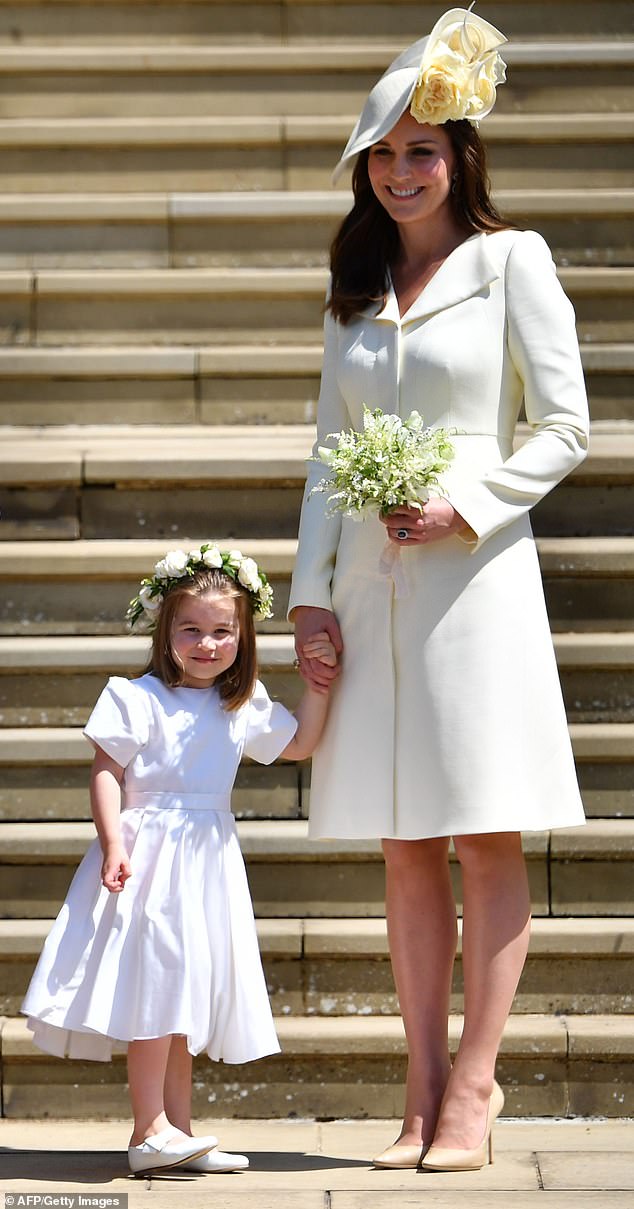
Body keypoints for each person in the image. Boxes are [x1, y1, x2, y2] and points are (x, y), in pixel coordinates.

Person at [289, 7, 589, 1174]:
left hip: (477, 588)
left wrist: (471, 502)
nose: (403, 169)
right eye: (385, 151)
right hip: (370, 590)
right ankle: (416, 1088)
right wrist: (311, 595)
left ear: (461, 155)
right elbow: (326, 454)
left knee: (480, 827)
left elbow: (565, 424)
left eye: (424, 148)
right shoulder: (352, 288)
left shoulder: (515, 260)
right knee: (402, 839)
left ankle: (474, 1087)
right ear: (365, 167)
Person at [22, 544, 337, 1176]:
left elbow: (300, 742)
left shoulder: (239, 703)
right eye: (190, 629)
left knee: (182, 995)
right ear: (165, 631)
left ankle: (177, 1131)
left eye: (223, 631)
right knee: (156, 992)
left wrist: (319, 687)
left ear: (242, 636)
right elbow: (107, 771)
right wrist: (113, 841)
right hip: (147, 857)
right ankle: (148, 1131)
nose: (207, 643)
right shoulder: (135, 697)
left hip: (205, 860)